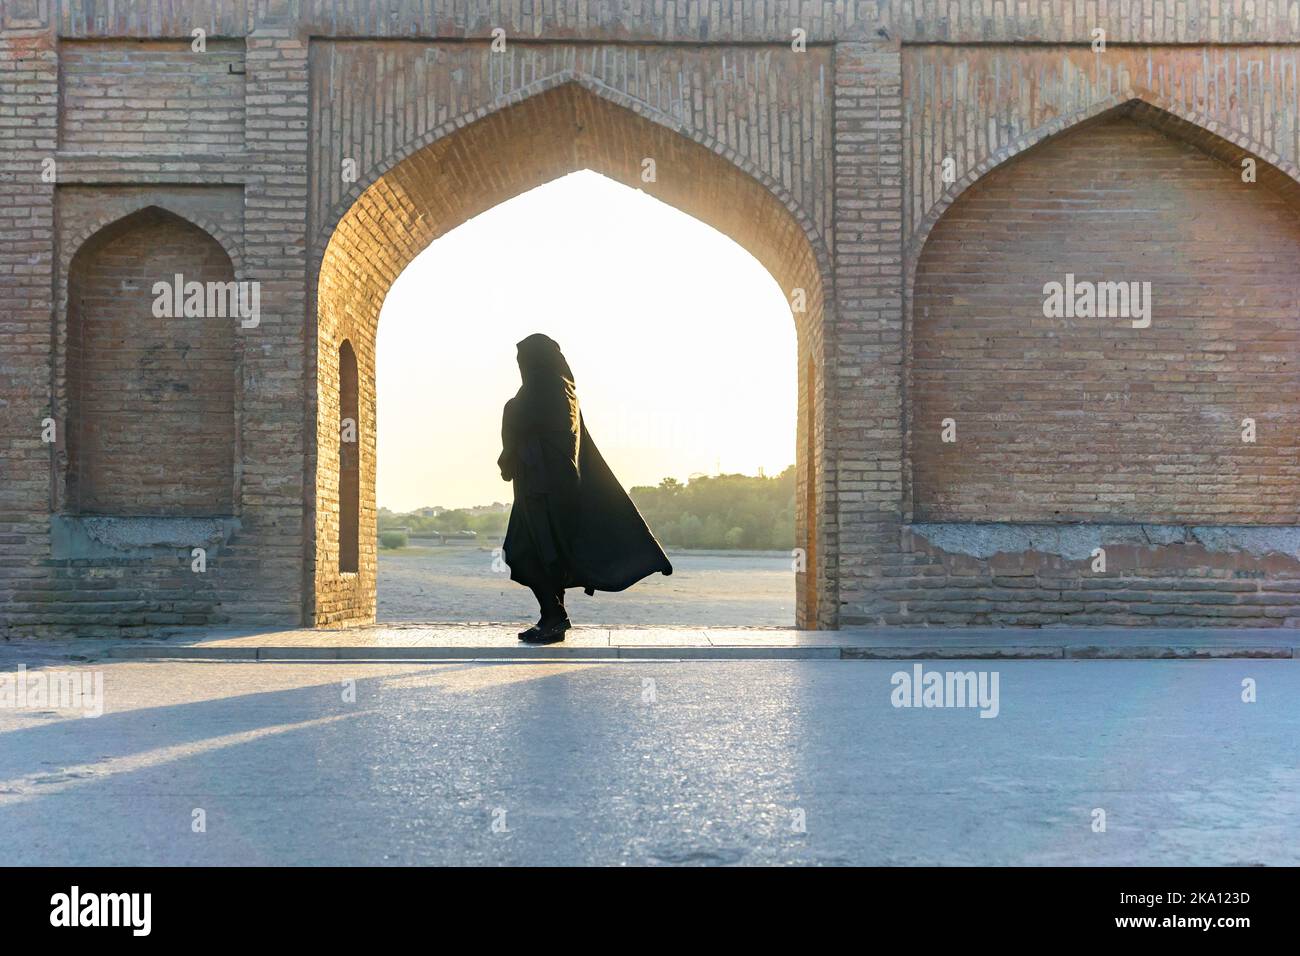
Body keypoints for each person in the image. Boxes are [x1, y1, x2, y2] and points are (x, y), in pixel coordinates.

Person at [498, 333, 672, 643]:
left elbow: (517, 418)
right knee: (543, 553)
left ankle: (554, 618)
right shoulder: (562, 391)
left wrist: (510, 417)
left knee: (529, 552)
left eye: (524, 361)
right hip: (549, 491)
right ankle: (552, 617)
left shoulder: (541, 392)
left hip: (543, 493)